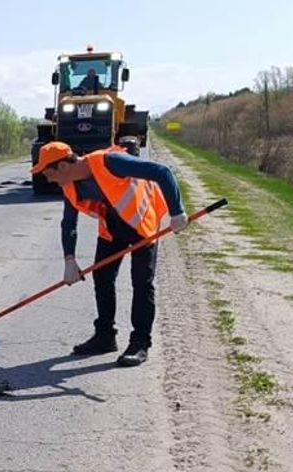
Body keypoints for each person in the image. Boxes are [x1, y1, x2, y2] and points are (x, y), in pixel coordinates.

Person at [31, 141, 189, 366]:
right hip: (113, 229)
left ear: (63, 167)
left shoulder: (109, 162)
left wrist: (177, 211)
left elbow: (161, 172)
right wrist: (69, 260)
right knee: (102, 277)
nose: (48, 179)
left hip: (142, 224)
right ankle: (105, 336)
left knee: (142, 284)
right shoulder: (70, 185)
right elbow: (69, 223)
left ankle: (140, 343)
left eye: (48, 174)